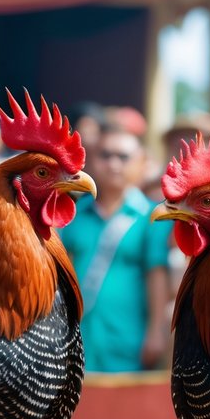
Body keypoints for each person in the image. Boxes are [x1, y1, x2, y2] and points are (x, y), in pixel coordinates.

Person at [59, 124, 171, 372]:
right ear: (91, 160)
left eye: (123, 157)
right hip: (75, 340)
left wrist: (156, 331)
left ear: (141, 163)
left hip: (129, 339)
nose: (113, 163)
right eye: (105, 155)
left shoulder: (153, 217)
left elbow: (157, 275)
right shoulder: (72, 214)